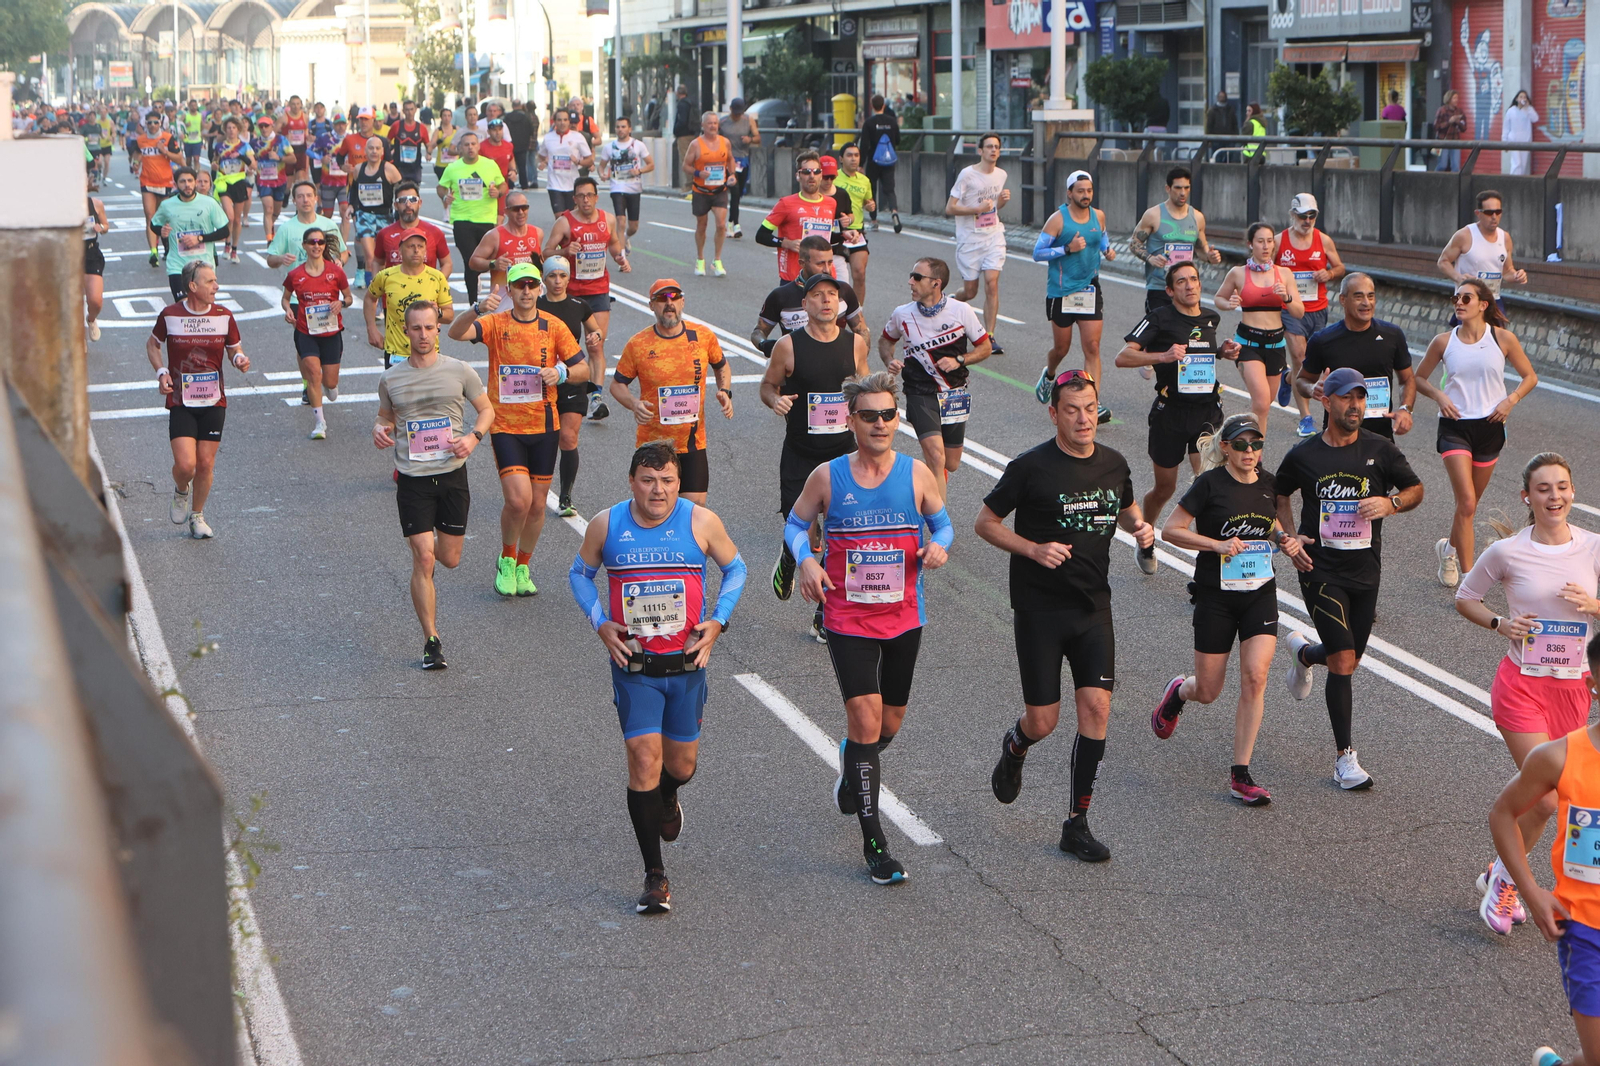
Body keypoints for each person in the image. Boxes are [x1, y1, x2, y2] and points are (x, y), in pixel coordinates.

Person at [976, 369, 1155, 862]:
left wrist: (1140, 529)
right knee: (1044, 720)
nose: (1083, 419)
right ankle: (1015, 747)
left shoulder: (1115, 464)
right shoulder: (1030, 467)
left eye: (1090, 408)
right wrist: (1032, 549)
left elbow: (1125, 508)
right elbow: (985, 523)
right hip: (1039, 609)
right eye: (1071, 410)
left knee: (1096, 708)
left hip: (1094, 606)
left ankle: (1076, 822)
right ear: (1054, 413)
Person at [567, 441, 746, 915]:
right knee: (643, 757)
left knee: (681, 766)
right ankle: (654, 875)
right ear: (632, 482)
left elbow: (736, 568)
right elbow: (580, 574)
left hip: (687, 665)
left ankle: (668, 795)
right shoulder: (607, 525)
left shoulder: (700, 522)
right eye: (648, 480)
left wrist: (719, 620)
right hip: (635, 666)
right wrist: (599, 621)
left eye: (667, 480)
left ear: (678, 483)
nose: (658, 490)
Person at [787, 372, 953, 884]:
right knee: (864, 720)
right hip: (847, 617)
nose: (880, 424)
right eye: (870, 416)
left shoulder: (918, 474)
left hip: (904, 615)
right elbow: (795, 525)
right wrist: (807, 562)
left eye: (888, 415)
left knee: (889, 724)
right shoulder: (827, 476)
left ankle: (852, 761)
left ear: (896, 419)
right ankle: (875, 844)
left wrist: (939, 546)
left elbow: (943, 523)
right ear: (850, 419)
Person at [1459, 454, 1600, 934]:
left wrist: (1594, 605)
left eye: (1562, 486)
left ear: (1573, 493)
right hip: (1522, 686)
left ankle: (1500, 871)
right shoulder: (1508, 551)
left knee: (1558, 798)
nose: (1554, 496)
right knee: (1541, 801)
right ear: (1527, 497)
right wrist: (1503, 624)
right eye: (1543, 489)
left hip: (1575, 690)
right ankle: (1507, 885)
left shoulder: (1594, 548)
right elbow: (1466, 596)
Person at [1274, 367, 1424, 790]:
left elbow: (1416, 489)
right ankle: (1345, 758)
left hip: (1365, 571)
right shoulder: (1304, 455)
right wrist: (1288, 537)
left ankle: (1304, 655)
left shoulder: (1381, 449)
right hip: (1318, 568)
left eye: (1360, 397)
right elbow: (1277, 493)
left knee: (1348, 660)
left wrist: (1391, 503)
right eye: (1346, 397)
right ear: (1327, 401)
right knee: (1342, 659)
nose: (1355, 405)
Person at [1152, 413, 1311, 804]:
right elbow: (1172, 530)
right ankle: (1179, 692)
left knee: (1256, 677)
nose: (1249, 451)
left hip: (1259, 591)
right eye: (1240, 444)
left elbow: (1271, 523)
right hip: (1215, 597)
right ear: (1226, 447)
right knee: (1208, 690)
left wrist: (1286, 540)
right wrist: (1216, 545)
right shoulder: (1209, 484)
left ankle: (1240, 774)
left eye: (1255, 444)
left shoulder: (1268, 483)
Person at [1488, 636, 1600, 1066]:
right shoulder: (1559, 757)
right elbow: (1502, 815)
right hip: (1586, 930)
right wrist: (1530, 891)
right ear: (1593, 687)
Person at [448, 263, 588, 597]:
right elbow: (455, 333)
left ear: (539, 289)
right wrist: (476, 308)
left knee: (538, 505)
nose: (526, 291)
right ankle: (507, 558)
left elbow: (583, 368)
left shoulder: (553, 326)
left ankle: (524, 565)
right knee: (518, 500)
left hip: (544, 425)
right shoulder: (496, 323)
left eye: (531, 285)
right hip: (507, 426)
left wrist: (562, 374)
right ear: (509, 290)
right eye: (519, 285)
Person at [373, 301, 494, 671]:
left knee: (449, 559)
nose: (423, 335)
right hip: (412, 479)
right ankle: (431, 640)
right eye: (416, 329)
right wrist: (380, 429)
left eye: (429, 328)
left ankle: (433, 567)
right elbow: (384, 416)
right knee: (424, 557)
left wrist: (473, 438)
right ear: (405, 331)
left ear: (437, 330)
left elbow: (487, 410)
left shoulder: (458, 370)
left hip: (452, 475)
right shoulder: (391, 377)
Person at [761, 273, 872, 641]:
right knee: (808, 538)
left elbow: (865, 388)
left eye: (832, 295)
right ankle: (790, 555)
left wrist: (877, 409)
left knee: (842, 537)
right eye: (817, 295)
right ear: (804, 305)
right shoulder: (788, 347)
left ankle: (825, 613)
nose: (826, 301)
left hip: (843, 455)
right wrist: (775, 399)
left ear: (839, 305)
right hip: (801, 454)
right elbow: (767, 385)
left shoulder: (855, 344)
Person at [1114, 261, 1242, 574]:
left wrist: (1222, 352)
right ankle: (1145, 537)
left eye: (1194, 279)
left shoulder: (1211, 318)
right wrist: (1163, 356)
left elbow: (1202, 354)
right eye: (1181, 281)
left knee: (1209, 484)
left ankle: (1211, 561)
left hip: (1207, 412)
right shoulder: (1159, 317)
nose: (1189, 285)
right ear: (1170, 290)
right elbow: (1123, 357)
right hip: (1169, 414)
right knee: (1165, 488)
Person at [1412, 278, 1539, 586]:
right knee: (1467, 502)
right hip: (1455, 428)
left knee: (1468, 506)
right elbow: (1419, 379)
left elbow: (1529, 377)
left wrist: (1511, 401)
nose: (1459, 302)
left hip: (1491, 427)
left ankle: (1449, 549)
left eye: (1466, 298)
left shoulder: (1502, 339)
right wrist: (1440, 397)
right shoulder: (1444, 341)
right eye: (1456, 297)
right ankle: (1470, 582)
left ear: (1483, 305)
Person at [146, 261, 251, 541]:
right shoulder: (170, 315)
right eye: (210, 282)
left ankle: (197, 516)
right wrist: (161, 372)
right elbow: (153, 344)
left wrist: (239, 359)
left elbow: (233, 349)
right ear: (192, 287)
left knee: (205, 464)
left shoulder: (224, 315)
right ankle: (182, 490)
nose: (216, 287)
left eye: (215, 281)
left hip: (214, 401)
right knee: (185, 466)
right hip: (181, 400)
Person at [609, 279, 733, 506]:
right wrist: (634, 404)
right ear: (651, 306)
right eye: (661, 299)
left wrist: (724, 390)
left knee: (694, 509)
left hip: (693, 442)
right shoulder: (638, 344)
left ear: (682, 302)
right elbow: (617, 385)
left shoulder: (702, 336)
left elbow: (721, 365)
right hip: (654, 442)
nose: (669, 303)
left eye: (674, 298)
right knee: (657, 507)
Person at [879, 257, 992, 502]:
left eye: (917, 277)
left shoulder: (961, 311)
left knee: (949, 463)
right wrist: (889, 360)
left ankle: (927, 482)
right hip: (920, 392)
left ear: (936, 284)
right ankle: (939, 522)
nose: (910, 281)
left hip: (954, 393)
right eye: (911, 276)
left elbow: (985, 348)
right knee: (936, 456)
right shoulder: (902, 314)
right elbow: (886, 341)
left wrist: (960, 360)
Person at [1032, 169, 1117, 422]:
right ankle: (1050, 374)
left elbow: (1102, 239)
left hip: (1089, 287)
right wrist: (1067, 248)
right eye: (1080, 191)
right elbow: (1038, 253)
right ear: (1069, 193)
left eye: (1089, 190)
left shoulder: (1098, 216)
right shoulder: (1058, 220)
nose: (1086, 195)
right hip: (1061, 291)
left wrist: (1108, 251)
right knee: (1062, 348)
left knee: (1092, 346)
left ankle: (1093, 403)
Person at [1296, 272, 1416, 441]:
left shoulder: (1392, 335)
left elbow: (1407, 378)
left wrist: (1405, 408)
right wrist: (1312, 388)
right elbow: (1301, 380)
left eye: (1371, 296)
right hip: (1337, 437)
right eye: (1358, 297)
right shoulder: (1323, 340)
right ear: (1343, 300)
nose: (1366, 303)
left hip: (1380, 437)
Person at [1214, 222, 1306, 431]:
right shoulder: (1238, 273)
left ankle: (1256, 456)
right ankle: (1252, 456)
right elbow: (1219, 297)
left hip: (1275, 345)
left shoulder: (1284, 274)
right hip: (1247, 344)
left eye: (1269, 241)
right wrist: (1229, 304)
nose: (1266, 246)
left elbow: (1299, 312)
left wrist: (1287, 297)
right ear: (1250, 244)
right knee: (1261, 402)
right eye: (1260, 241)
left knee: (1264, 408)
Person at [535, 257, 607, 516]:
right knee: (542, 439)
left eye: (562, 276)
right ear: (544, 278)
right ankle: (535, 488)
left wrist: (594, 335)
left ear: (568, 278)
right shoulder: (536, 304)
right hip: (541, 378)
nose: (557, 281)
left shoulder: (579, 305)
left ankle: (565, 496)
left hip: (572, 377)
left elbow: (596, 330)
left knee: (567, 437)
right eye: (552, 275)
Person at [542, 176, 630, 389]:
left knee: (596, 345)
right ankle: (562, 384)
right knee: (563, 345)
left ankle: (596, 396)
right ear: (574, 199)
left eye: (589, 195)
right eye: (581, 196)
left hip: (598, 289)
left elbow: (615, 244)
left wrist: (620, 257)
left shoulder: (608, 220)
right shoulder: (564, 222)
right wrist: (565, 250)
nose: (586, 200)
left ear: (596, 197)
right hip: (570, 292)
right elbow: (545, 253)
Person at [1274, 193, 1345, 436]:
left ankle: (1287, 380)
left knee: (1317, 364)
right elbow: (1263, 267)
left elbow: (1340, 266)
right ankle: (1305, 418)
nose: (1307, 220)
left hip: (1318, 309)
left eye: (1312, 216)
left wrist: (1330, 274)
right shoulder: (1279, 241)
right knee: (1300, 358)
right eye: (1302, 216)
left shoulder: (1323, 240)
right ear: (1292, 215)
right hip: (1291, 310)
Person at [281, 226, 352, 439]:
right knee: (313, 374)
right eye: (312, 242)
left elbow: (349, 298)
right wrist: (287, 310)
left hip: (331, 333)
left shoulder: (335, 272)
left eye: (320, 242)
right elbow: (286, 297)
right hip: (306, 331)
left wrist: (341, 303)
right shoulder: (295, 274)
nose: (316, 246)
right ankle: (320, 422)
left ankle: (330, 386)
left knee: (329, 383)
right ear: (304, 246)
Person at [752, 235, 869, 359]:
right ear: (802, 263)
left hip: (836, 367)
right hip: (796, 371)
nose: (827, 270)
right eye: (820, 264)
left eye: (830, 262)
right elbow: (758, 332)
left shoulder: (844, 291)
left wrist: (859, 360)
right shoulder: (781, 296)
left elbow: (862, 331)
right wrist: (764, 345)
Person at [945, 133, 1011, 353]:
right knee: (970, 292)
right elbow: (950, 208)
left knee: (992, 282)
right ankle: (953, 300)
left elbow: (993, 208)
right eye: (989, 147)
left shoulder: (1001, 175)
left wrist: (1000, 203)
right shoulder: (968, 175)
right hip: (970, 239)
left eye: (997, 147)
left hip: (993, 235)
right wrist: (976, 209)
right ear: (980, 150)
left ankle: (989, 336)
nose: (993, 150)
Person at [1130, 167, 1223, 315]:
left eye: (1186, 188)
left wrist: (1211, 257)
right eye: (1178, 188)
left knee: (1190, 336)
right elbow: (1134, 244)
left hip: (1188, 288)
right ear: (1168, 188)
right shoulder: (1153, 215)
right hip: (1160, 287)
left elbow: (1201, 250)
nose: (1182, 193)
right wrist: (1150, 258)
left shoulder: (1197, 217)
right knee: (1161, 336)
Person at [438, 132, 508, 307]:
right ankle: (473, 304)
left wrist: (498, 192)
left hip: (486, 220)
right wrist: (445, 196)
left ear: (478, 146)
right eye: (466, 145)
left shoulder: (489, 165)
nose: (470, 147)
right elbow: (441, 187)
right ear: (460, 148)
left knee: (486, 263)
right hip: (462, 220)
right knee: (470, 262)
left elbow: (503, 185)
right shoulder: (453, 168)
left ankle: (498, 299)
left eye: (473, 144)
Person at [367, 231, 455, 369]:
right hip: (396, 354)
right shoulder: (386, 276)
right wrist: (371, 328)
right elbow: (370, 298)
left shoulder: (437, 278)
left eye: (420, 246)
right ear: (400, 250)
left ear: (425, 250)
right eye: (411, 246)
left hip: (428, 353)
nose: (416, 250)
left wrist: (438, 313)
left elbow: (449, 315)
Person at [1438, 189, 1529, 314]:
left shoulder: (1505, 237)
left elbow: (1507, 271)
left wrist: (1517, 276)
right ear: (1478, 213)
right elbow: (1443, 261)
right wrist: (1458, 278)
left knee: (1498, 334)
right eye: (1489, 212)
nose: (1494, 217)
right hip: (1468, 302)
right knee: (1469, 334)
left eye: (1498, 212)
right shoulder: (1465, 235)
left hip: (1493, 301)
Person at [150, 167, 231, 304]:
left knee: (202, 305)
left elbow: (225, 231)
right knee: (183, 305)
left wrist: (200, 238)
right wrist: (162, 231)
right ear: (175, 184)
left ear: (195, 182)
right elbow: (154, 225)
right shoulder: (167, 205)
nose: (187, 185)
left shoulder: (209, 203)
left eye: (190, 181)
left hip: (204, 265)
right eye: (182, 181)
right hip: (177, 265)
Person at [757, 152, 838, 284]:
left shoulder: (831, 203)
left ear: (821, 175)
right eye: (806, 172)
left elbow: (828, 237)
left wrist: (846, 234)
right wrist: (786, 243)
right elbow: (761, 235)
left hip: (825, 276)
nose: (812, 176)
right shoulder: (786, 204)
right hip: (794, 278)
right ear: (798, 176)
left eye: (816, 171)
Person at [681, 111, 734, 277]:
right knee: (702, 225)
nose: (713, 126)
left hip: (719, 190)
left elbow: (731, 159)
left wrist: (732, 175)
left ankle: (717, 260)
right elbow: (686, 166)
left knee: (721, 225)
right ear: (703, 126)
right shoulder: (696, 145)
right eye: (709, 123)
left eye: (715, 123)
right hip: (701, 191)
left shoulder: (725, 142)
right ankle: (700, 259)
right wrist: (698, 173)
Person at [135, 110, 186, 267]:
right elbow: (137, 154)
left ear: (160, 123)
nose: (152, 125)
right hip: (147, 181)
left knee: (164, 218)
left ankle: (167, 247)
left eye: (155, 122)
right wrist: (136, 163)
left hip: (165, 182)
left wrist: (165, 151)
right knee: (150, 216)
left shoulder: (168, 138)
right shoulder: (140, 140)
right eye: (149, 123)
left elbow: (180, 159)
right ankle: (153, 251)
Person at [596, 116, 653, 250]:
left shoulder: (638, 145)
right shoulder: (609, 147)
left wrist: (639, 171)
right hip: (617, 187)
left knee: (633, 226)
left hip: (634, 189)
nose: (620, 130)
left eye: (623, 127)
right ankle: (621, 258)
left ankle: (626, 237)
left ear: (629, 129)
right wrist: (602, 175)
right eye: (618, 127)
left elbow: (651, 164)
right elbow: (601, 166)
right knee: (620, 221)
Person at [264, 180, 345, 269]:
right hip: (297, 281)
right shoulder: (286, 228)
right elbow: (270, 259)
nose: (305, 200)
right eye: (300, 196)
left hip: (324, 281)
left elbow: (343, 252)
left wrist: (339, 261)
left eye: (309, 196)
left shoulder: (329, 225)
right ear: (294, 201)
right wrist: (281, 258)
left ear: (316, 198)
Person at [375, 182, 451, 272]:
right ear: (396, 205)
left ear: (419, 203)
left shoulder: (435, 233)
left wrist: (437, 283)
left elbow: (447, 263)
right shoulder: (384, 234)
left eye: (413, 199)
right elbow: (377, 262)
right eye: (402, 200)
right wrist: (378, 284)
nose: (408, 204)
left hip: (425, 286)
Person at [833, 144, 874, 302]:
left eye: (856, 155)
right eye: (849, 155)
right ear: (841, 159)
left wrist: (870, 205)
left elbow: (867, 202)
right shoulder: (833, 178)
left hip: (857, 232)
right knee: (838, 278)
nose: (854, 159)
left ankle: (857, 313)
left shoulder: (864, 180)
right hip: (836, 231)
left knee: (860, 273)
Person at [212, 118, 256, 264]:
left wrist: (240, 156)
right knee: (229, 217)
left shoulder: (245, 146)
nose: (231, 130)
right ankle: (227, 244)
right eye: (228, 128)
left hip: (239, 183)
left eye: (233, 128)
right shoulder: (219, 146)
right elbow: (216, 161)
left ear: (238, 129)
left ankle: (234, 249)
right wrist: (214, 166)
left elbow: (254, 164)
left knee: (237, 219)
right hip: (224, 183)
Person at [536, 109, 592, 217]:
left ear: (569, 122)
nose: (562, 123)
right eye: (559, 120)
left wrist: (578, 161)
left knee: (572, 217)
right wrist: (544, 162)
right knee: (560, 217)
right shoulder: (548, 138)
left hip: (572, 184)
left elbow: (589, 159)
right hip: (554, 184)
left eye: (565, 120)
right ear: (555, 122)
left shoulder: (577, 137)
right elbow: (541, 155)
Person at [717, 98, 760, 239]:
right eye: (735, 113)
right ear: (730, 109)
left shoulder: (749, 120)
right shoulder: (722, 123)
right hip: (728, 161)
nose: (737, 116)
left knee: (739, 193)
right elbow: (713, 138)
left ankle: (730, 222)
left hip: (743, 161)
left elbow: (757, 137)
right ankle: (735, 224)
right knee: (734, 191)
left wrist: (750, 140)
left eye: (739, 113)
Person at [859, 95, 901, 233]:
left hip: (873, 161)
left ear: (872, 106)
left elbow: (864, 145)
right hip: (888, 161)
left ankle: (874, 220)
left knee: (871, 191)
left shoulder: (869, 123)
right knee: (890, 189)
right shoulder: (892, 121)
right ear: (884, 105)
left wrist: (861, 164)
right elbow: (898, 140)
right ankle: (894, 211)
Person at [251, 115, 292, 243]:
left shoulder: (281, 140)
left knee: (276, 211)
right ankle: (269, 239)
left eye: (266, 126)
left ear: (272, 126)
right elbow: (249, 160)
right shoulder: (254, 143)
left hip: (279, 180)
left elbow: (293, 159)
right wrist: (250, 166)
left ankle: (271, 226)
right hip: (263, 180)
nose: (264, 129)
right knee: (268, 208)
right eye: (261, 126)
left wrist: (279, 158)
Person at [313, 114, 351, 240]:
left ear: (347, 125)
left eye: (343, 124)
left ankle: (343, 244)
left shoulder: (350, 139)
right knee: (327, 214)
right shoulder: (325, 138)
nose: (341, 127)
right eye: (338, 124)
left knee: (345, 211)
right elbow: (310, 150)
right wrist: (320, 158)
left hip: (344, 182)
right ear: (333, 125)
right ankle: (326, 242)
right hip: (328, 182)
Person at [478, 118, 519, 219]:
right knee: (487, 219)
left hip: (502, 186)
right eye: (494, 130)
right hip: (486, 189)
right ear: (488, 132)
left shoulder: (508, 146)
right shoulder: (481, 147)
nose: (497, 133)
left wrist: (513, 171)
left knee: (500, 217)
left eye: (500, 130)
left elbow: (511, 159)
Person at [386, 99, 429, 186]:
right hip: (399, 167)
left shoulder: (421, 128)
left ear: (415, 110)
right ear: (403, 111)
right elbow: (387, 142)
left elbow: (428, 144)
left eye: (411, 109)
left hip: (415, 168)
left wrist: (429, 153)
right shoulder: (396, 126)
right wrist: (389, 154)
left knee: (414, 194)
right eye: (407, 110)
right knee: (399, 193)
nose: (409, 112)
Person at [83, 194, 108, 341]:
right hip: (68, 253)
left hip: (90, 252)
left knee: (96, 301)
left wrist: (102, 227)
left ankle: (91, 319)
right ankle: (78, 341)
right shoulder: (61, 207)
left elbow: (106, 226)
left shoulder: (96, 204)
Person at [1502, 91, 1539, 175]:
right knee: (1517, 163)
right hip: (1513, 141)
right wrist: (1504, 142)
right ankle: (1513, 181)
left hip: (1525, 141)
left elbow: (1535, 118)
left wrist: (1528, 107)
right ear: (1516, 99)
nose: (1523, 99)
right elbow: (1506, 128)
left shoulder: (1528, 110)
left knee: (1522, 164)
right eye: (1521, 97)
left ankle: (1520, 181)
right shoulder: (1510, 111)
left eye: (1525, 97)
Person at [1433, 89, 1468, 172]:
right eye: (1454, 98)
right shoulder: (1442, 110)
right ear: (1449, 99)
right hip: (1443, 140)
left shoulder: (1459, 111)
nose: (1457, 100)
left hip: (1455, 140)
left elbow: (1464, 128)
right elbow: (1436, 126)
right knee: (1442, 165)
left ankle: (1455, 184)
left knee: (1456, 166)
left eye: (1457, 98)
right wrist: (1449, 122)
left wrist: (1458, 122)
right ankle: (1434, 179)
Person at [503, 100, 536, 190]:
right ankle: (524, 184)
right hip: (522, 145)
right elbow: (531, 130)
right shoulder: (526, 117)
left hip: (510, 145)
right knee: (522, 166)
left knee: (509, 166)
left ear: (513, 106)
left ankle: (510, 184)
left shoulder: (507, 117)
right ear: (520, 106)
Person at [281, 95, 310, 177]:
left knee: (301, 175)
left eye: (298, 104)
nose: (296, 106)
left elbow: (308, 131)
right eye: (293, 104)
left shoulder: (305, 117)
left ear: (301, 104)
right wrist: (284, 137)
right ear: (289, 105)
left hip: (301, 149)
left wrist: (308, 137)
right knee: (289, 178)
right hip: (288, 150)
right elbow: (273, 133)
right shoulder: (283, 117)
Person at [671, 84, 696, 178]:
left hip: (683, 135)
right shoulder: (690, 103)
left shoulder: (682, 104)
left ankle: (689, 184)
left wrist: (675, 130)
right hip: (692, 133)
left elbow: (682, 120)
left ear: (678, 93)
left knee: (685, 160)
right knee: (692, 159)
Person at [431, 109, 457, 182]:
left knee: (454, 187)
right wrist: (440, 140)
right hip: (441, 165)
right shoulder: (438, 131)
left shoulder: (456, 129)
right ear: (441, 117)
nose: (447, 118)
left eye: (449, 116)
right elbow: (431, 146)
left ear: (451, 117)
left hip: (454, 164)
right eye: (444, 116)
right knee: (443, 188)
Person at [180, 98, 206, 167]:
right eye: (192, 105)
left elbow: (202, 126)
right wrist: (185, 125)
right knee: (188, 160)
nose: (194, 107)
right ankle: (189, 172)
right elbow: (178, 124)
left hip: (197, 140)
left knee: (196, 159)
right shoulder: (185, 115)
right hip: (187, 140)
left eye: (195, 105)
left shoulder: (200, 115)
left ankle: (197, 173)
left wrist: (203, 138)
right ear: (189, 106)